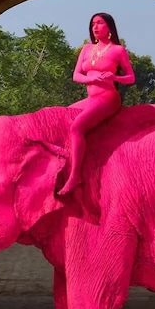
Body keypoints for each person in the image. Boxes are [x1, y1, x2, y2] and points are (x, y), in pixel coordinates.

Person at [58, 12, 136, 196]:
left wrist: (114, 76)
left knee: (77, 127)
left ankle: (75, 176)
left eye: (100, 23)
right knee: (63, 115)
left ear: (109, 27)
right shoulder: (86, 49)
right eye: (93, 23)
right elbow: (76, 75)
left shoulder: (118, 50)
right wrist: (90, 78)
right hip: (91, 98)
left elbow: (131, 77)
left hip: (107, 97)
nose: (95, 27)